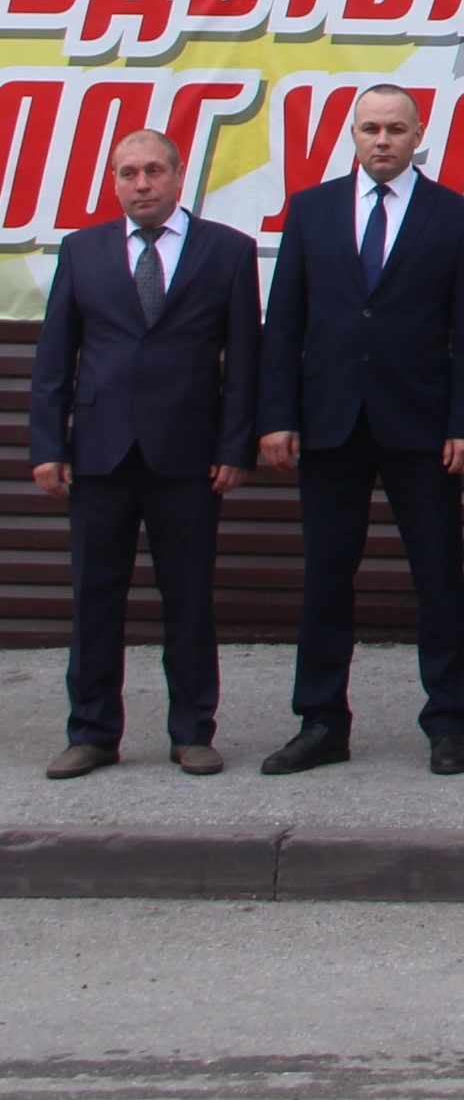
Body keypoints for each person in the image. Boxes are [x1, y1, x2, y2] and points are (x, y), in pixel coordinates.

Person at [255, 84, 464, 776]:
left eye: (395, 128)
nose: (382, 140)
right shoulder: (312, 209)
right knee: (326, 577)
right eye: (370, 128)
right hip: (331, 421)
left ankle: (447, 722)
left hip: (423, 425)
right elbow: (284, 323)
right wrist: (277, 416)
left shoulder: (456, 216)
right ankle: (321, 720)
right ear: (352, 135)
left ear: (418, 135)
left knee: (439, 578)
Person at [31, 130, 258, 779]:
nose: (141, 184)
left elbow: (245, 359)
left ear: (179, 176)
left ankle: (192, 731)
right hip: (99, 454)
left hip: (188, 455)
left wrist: (234, 445)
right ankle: (92, 731)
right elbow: (55, 356)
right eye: (128, 173)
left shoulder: (227, 251)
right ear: (113, 181)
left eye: (153, 170)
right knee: (94, 597)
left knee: (189, 597)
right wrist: (48, 444)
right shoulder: (83, 250)